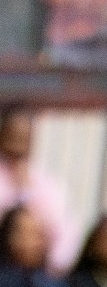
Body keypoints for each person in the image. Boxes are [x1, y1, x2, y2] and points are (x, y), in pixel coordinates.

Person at [0, 106, 78, 270]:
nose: (17, 141)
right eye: (13, 133)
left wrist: (55, 265)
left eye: (24, 135)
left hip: (40, 272)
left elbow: (65, 229)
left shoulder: (48, 183)